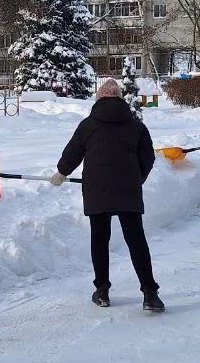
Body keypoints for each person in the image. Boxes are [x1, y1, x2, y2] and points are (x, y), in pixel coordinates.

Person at [52, 78, 164, 312]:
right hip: (128, 190)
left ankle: (102, 291)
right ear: (120, 98)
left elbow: (73, 153)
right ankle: (150, 293)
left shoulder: (88, 125)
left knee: (100, 239)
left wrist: (61, 173)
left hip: (97, 189)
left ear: (99, 98)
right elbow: (148, 158)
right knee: (136, 239)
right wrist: (137, 179)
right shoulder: (136, 126)